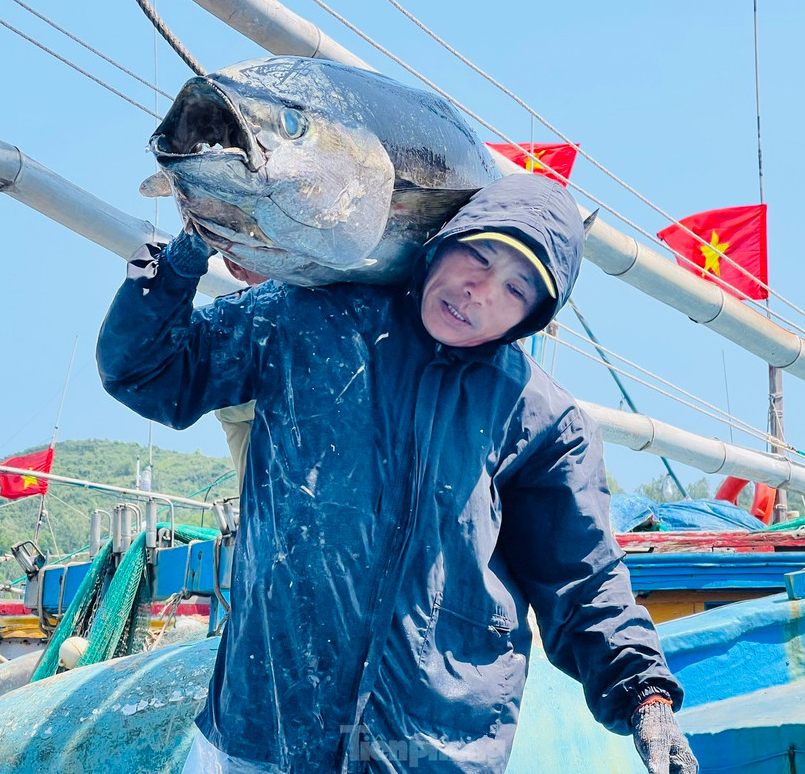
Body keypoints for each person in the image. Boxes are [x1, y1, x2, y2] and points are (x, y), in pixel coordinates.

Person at [97, 174, 698, 774]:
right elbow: (150, 371)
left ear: (532, 315)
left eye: (516, 288)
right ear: (445, 241)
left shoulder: (544, 421)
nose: (480, 292)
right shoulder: (309, 314)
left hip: (429, 753)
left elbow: (583, 579)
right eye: (479, 255)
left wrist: (644, 693)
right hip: (261, 736)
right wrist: (189, 250)